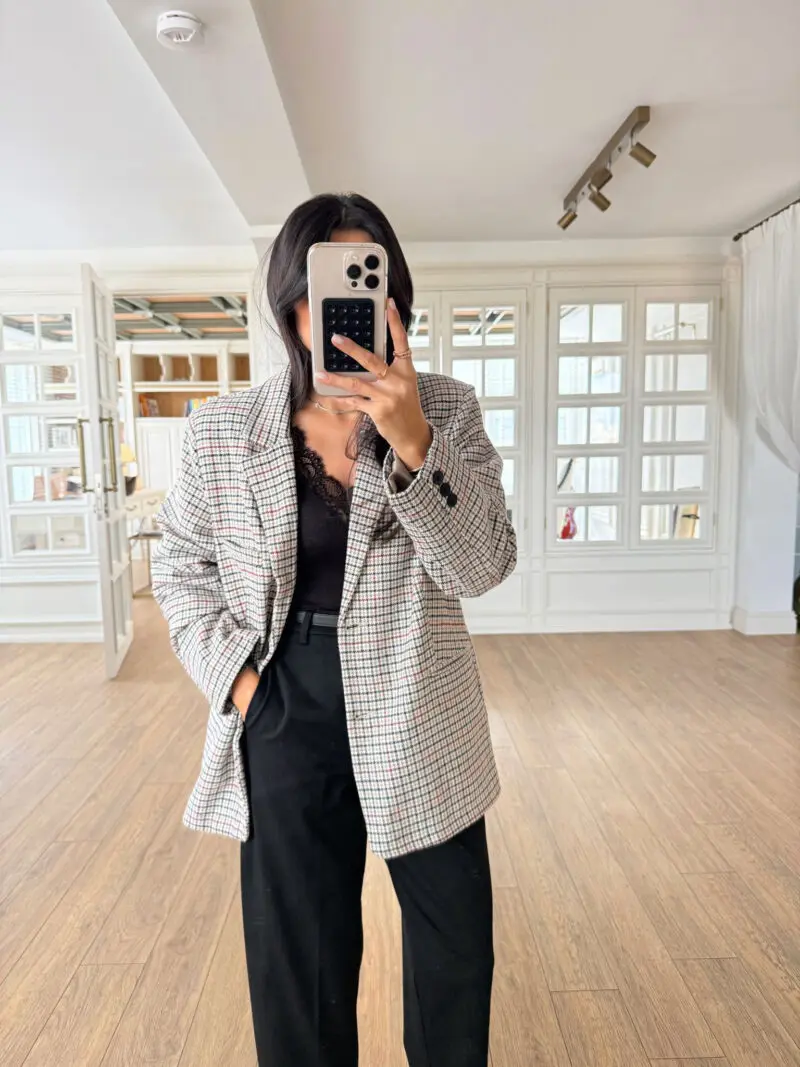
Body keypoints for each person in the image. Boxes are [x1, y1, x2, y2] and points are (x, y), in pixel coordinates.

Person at [152, 192, 517, 1067]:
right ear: (292, 304)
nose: (347, 308)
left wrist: (415, 441)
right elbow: (180, 568)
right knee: (299, 963)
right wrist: (244, 684)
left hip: (420, 701)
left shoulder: (447, 410)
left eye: (368, 282)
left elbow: (483, 566)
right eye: (327, 288)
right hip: (282, 700)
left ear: (394, 300)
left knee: (455, 957)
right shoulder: (224, 430)